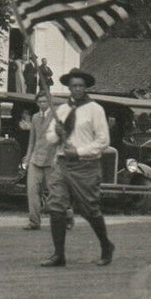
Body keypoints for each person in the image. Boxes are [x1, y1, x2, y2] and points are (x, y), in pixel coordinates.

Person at [40, 69, 114, 268]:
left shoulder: (95, 109)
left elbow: (103, 141)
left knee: (89, 209)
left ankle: (106, 245)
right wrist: (56, 133)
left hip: (86, 166)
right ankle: (59, 254)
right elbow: (49, 138)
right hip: (63, 164)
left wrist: (80, 151)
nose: (77, 89)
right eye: (74, 86)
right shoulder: (61, 110)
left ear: (86, 87)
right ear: (69, 87)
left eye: (81, 85)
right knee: (56, 206)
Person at [22, 90, 62, 231]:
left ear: (50, 101)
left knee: (55, 192)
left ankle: (65, 216)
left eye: (45, 101)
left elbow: (62, 138)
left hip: (52, 160)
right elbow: (32, 140)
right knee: (32, 190)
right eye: (40, 102)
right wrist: (27, 159)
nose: (42, 104)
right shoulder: (34, 117)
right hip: (35, 159)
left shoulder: (57, 116)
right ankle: (34, 221)